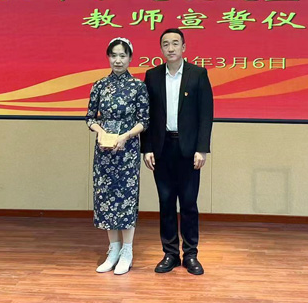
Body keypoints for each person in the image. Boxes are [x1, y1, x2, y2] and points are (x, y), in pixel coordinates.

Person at [141, 28, 213, 275]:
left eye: (175, 43)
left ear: (184, 47)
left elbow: (206, 115)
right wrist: (147, 148)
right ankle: (170, 254)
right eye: (165, 44)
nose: (170, 48)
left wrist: (202, 149)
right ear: (161, 49)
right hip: (162, 148)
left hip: (189, 149)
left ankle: (191, 254)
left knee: (189, 203)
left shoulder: (198, 74)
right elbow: (147, 116)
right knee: (166, 202)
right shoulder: (152, 76)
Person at [86, 37, 149, 275]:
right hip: (104, 151)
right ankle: (113, 249)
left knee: (126, 198)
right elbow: (90, 118)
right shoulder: (99, 85)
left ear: (130, 58)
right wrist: (101, 131)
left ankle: (127, 251)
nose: (118, 60)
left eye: (123, 55)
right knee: (105, 197)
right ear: (108, 57)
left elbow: (144, 121)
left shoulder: (138, 86)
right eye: (114, 55)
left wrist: (125, 136)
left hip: (127, 150)